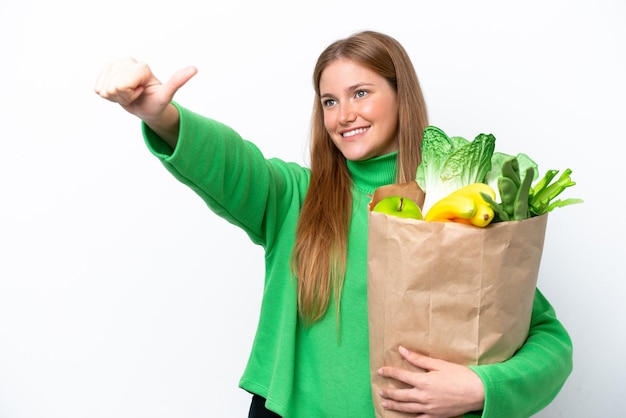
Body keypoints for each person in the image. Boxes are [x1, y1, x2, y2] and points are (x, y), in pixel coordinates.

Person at [95, 30, 573, 418]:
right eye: (329, 101)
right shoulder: (294, 198)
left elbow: (547, 338)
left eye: (360, 93)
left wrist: (480, 388)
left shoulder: (456, 210)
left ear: (400, 96)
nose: (344, 116)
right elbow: (230, 161)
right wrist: (164, 118)